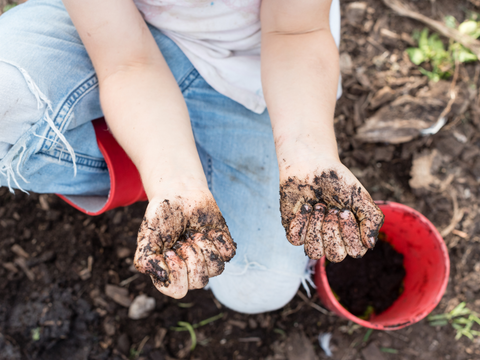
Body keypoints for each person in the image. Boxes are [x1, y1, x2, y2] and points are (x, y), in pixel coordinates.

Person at [0, 0, 384, 314]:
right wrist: (173, 180)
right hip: (127, 42)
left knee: (258, 284)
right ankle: (155, 168)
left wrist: (308, 152)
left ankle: (180, 156)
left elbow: (296, 33)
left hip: (259, 71)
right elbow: (127, 63)